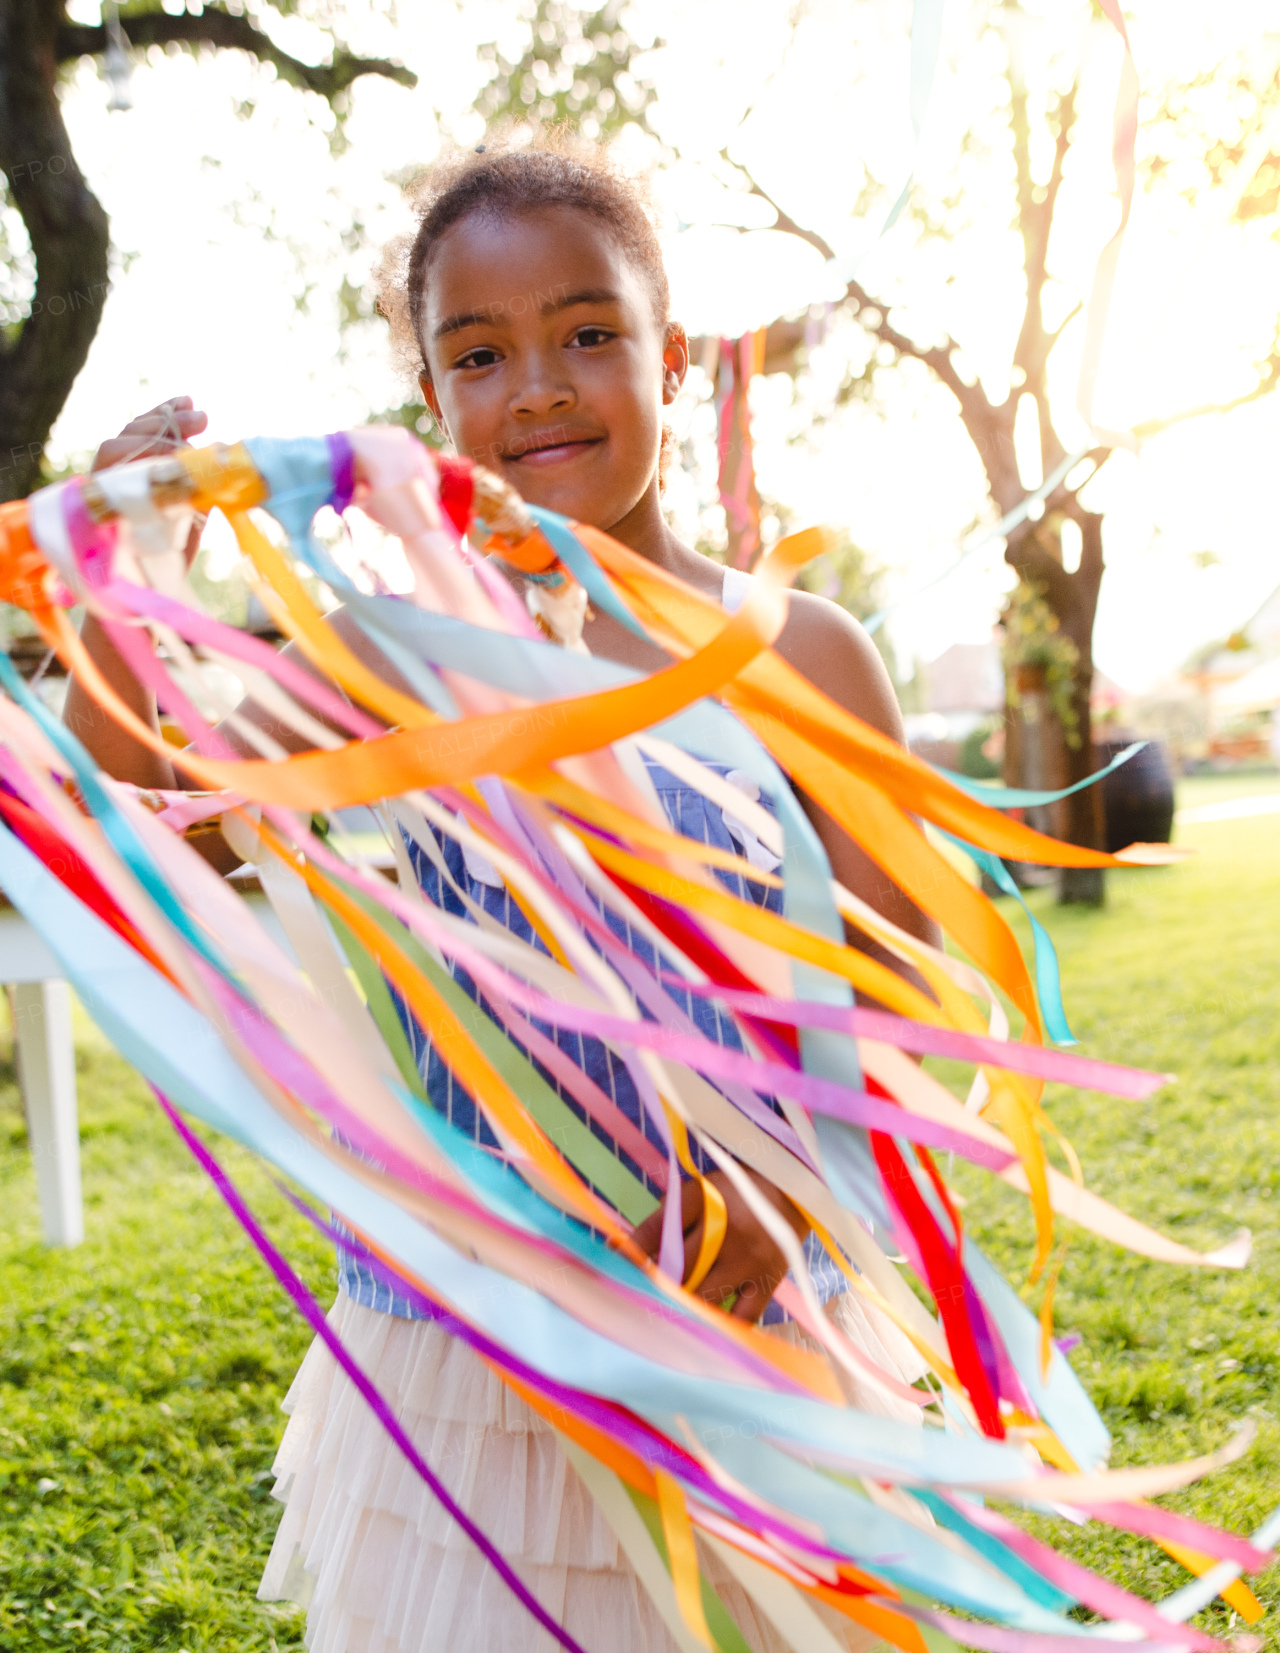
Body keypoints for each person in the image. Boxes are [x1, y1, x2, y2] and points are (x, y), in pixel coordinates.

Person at [70, 137, 939, 1653]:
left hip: (754, 1313)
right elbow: (158, 821)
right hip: (471, 1347)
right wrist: (114, 572)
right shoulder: (399, 660)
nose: (538, 384)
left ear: (676, 360)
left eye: (588, 334)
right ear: (434, 405)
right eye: (481, 353)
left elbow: (907, 989)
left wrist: (793, 1193)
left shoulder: (801, 655)